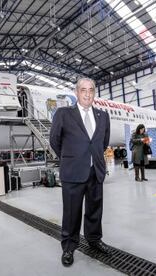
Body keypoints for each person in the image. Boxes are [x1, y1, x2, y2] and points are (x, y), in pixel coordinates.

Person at [49, 78, 111, 267]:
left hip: (95, 172)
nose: (87, 94)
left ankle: (94, 239)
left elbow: (103, 143)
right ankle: (68, 246)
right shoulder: (63, 113)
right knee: (71, 212)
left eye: (91, 90)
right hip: (73, 171)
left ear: (94, 93)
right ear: (76, 92)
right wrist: (71, 158)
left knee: (95, 210)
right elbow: (54, 141)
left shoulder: (103, 116)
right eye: (83, 90)